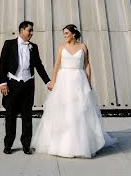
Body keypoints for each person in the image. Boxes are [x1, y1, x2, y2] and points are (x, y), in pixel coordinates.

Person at [31, 24, 115, 158]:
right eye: (63, 34)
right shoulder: (61, 48)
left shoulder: (83, 47)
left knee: (79, 111)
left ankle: (81, 145)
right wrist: (53, 81)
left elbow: (87, 65)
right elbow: (56, 65)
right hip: (64, 81)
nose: (64, 36)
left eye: (66, 33)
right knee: (64, 111)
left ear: (73, 34)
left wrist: (89, 82)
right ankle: (61, 145)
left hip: (79, 80)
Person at [0, 20, 52, 155]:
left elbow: (39, 66)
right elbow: (2, 65)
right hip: (12, 85)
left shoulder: (34, 47)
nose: (32, 33)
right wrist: (3, 83)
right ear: (21, 30)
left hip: (28, 85)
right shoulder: (9, 44)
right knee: (10, 116)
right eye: (30, 30)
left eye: (32, 30)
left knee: (27, 117)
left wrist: (48, 82)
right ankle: (8, 145)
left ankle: (26, 145)